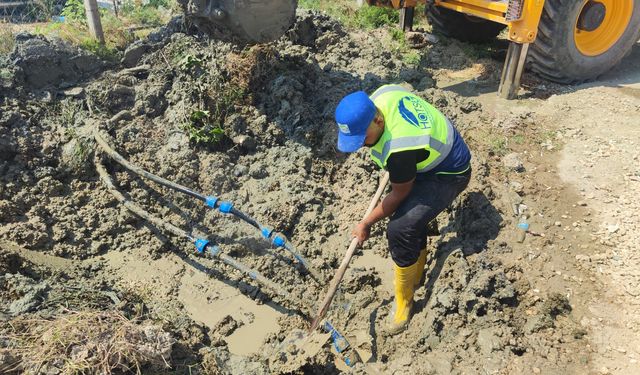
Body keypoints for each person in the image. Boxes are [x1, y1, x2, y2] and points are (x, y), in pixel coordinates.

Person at [334, 84, 472, 335]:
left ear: (377, 119)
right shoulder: (382, 95)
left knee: (400, 228)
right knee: (409, 222)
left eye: (362, 139)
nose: (361, 146)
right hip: (429, 156)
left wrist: (366, 223)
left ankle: (404, 301)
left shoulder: (399, 150)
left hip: (449, 172)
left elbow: (399, 194)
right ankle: (416, 273)